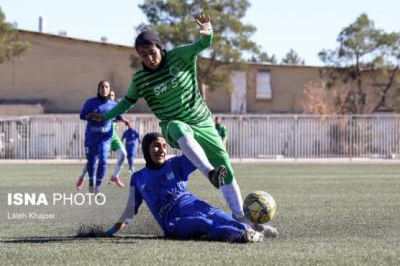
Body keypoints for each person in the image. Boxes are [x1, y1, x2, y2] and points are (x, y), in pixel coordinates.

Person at [87, 13, 277, 235]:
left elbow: (204, 43)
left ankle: (243, 219)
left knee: (225, 165)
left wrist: (206, 28)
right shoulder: (140, 80)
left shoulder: (179, 56)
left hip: (202, 121)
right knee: (178, 127)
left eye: (152, 52)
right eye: (143, 55)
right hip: (172, 124)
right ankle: (209, 173)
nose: (149, 58)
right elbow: (127, 103)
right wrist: (105, 116)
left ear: (160, 47)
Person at [105, 132, 264, 243]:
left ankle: (253, 231)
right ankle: (242, 236)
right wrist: (110, 232)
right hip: (174, 221)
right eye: (156, 146)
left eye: (164, 146)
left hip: (196, 204)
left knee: (222, 217)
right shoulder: (138, 178)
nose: (161, 150)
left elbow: (198, 152)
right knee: (203, 223)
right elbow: (130, 211)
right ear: (146, 149)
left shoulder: (176, 164)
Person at [79, 81, 129, 193]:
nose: (104, 89)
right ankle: (91, 181)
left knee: (103, 159)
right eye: (102, 87)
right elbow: (82, 116)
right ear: (98, 89)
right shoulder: (90, 102)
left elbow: (119, 116)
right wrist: (90, 116)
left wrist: (125, 119)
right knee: (91, 162)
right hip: (91, 137)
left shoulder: (113, 105)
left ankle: (98, 186)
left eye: (106, 87)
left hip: (105, 138)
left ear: (109, 89)